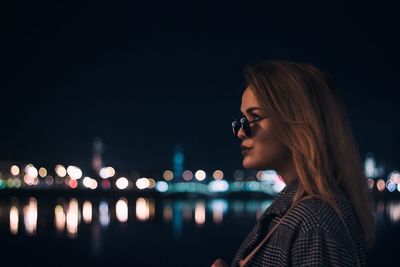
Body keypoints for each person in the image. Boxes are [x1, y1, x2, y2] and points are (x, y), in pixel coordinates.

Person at [211, 60, 375, 267]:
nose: (241, 132)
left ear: (298, 121)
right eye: (240, 120)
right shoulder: (301, 212)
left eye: (254, 117)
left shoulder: (314, 223)